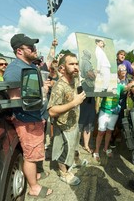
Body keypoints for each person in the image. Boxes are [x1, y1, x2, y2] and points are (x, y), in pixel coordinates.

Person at [4, 33, 53, 198]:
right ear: (19, 50)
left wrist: (43, 89)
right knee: (30, 156)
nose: (35, 49)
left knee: (35, 153)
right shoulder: (14, 70)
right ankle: (33, 188)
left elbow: (33, 92)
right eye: (30, 47)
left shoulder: (31, 66)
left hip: (36, 118)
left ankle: (35, 176)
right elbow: (15, 98)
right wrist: (42, 91)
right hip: (27, 121)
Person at [48, 53, 86, 186]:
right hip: (63, 126)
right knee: (64, 150)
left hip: (73, 123)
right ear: (63, 68)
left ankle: (74, 161)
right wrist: (74, 103)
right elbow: (51, 111)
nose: (76, 67)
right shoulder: (59, 87)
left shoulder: (74, 80)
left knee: (73, 146)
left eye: (77, 64)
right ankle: (63, 172)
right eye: (72, 64)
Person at [92, 67, 129, 162]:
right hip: (104, 111)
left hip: (114, 113)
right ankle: (96, 151)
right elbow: (98, 93)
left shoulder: (120, 86)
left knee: (109, 131)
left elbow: (129, 87)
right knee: (101, 132)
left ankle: (105, 148)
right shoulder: (105, 86)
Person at [110, 63, 134, 148]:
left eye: (125, 70)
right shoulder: (115, 80)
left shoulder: (127, 80)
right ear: (118, 71)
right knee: (112, 124)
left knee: (119, 124)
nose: (124, 71)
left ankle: (113, 137)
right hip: (113, 105)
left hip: (122, 106)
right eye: (121, 70)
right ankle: (111, 140)